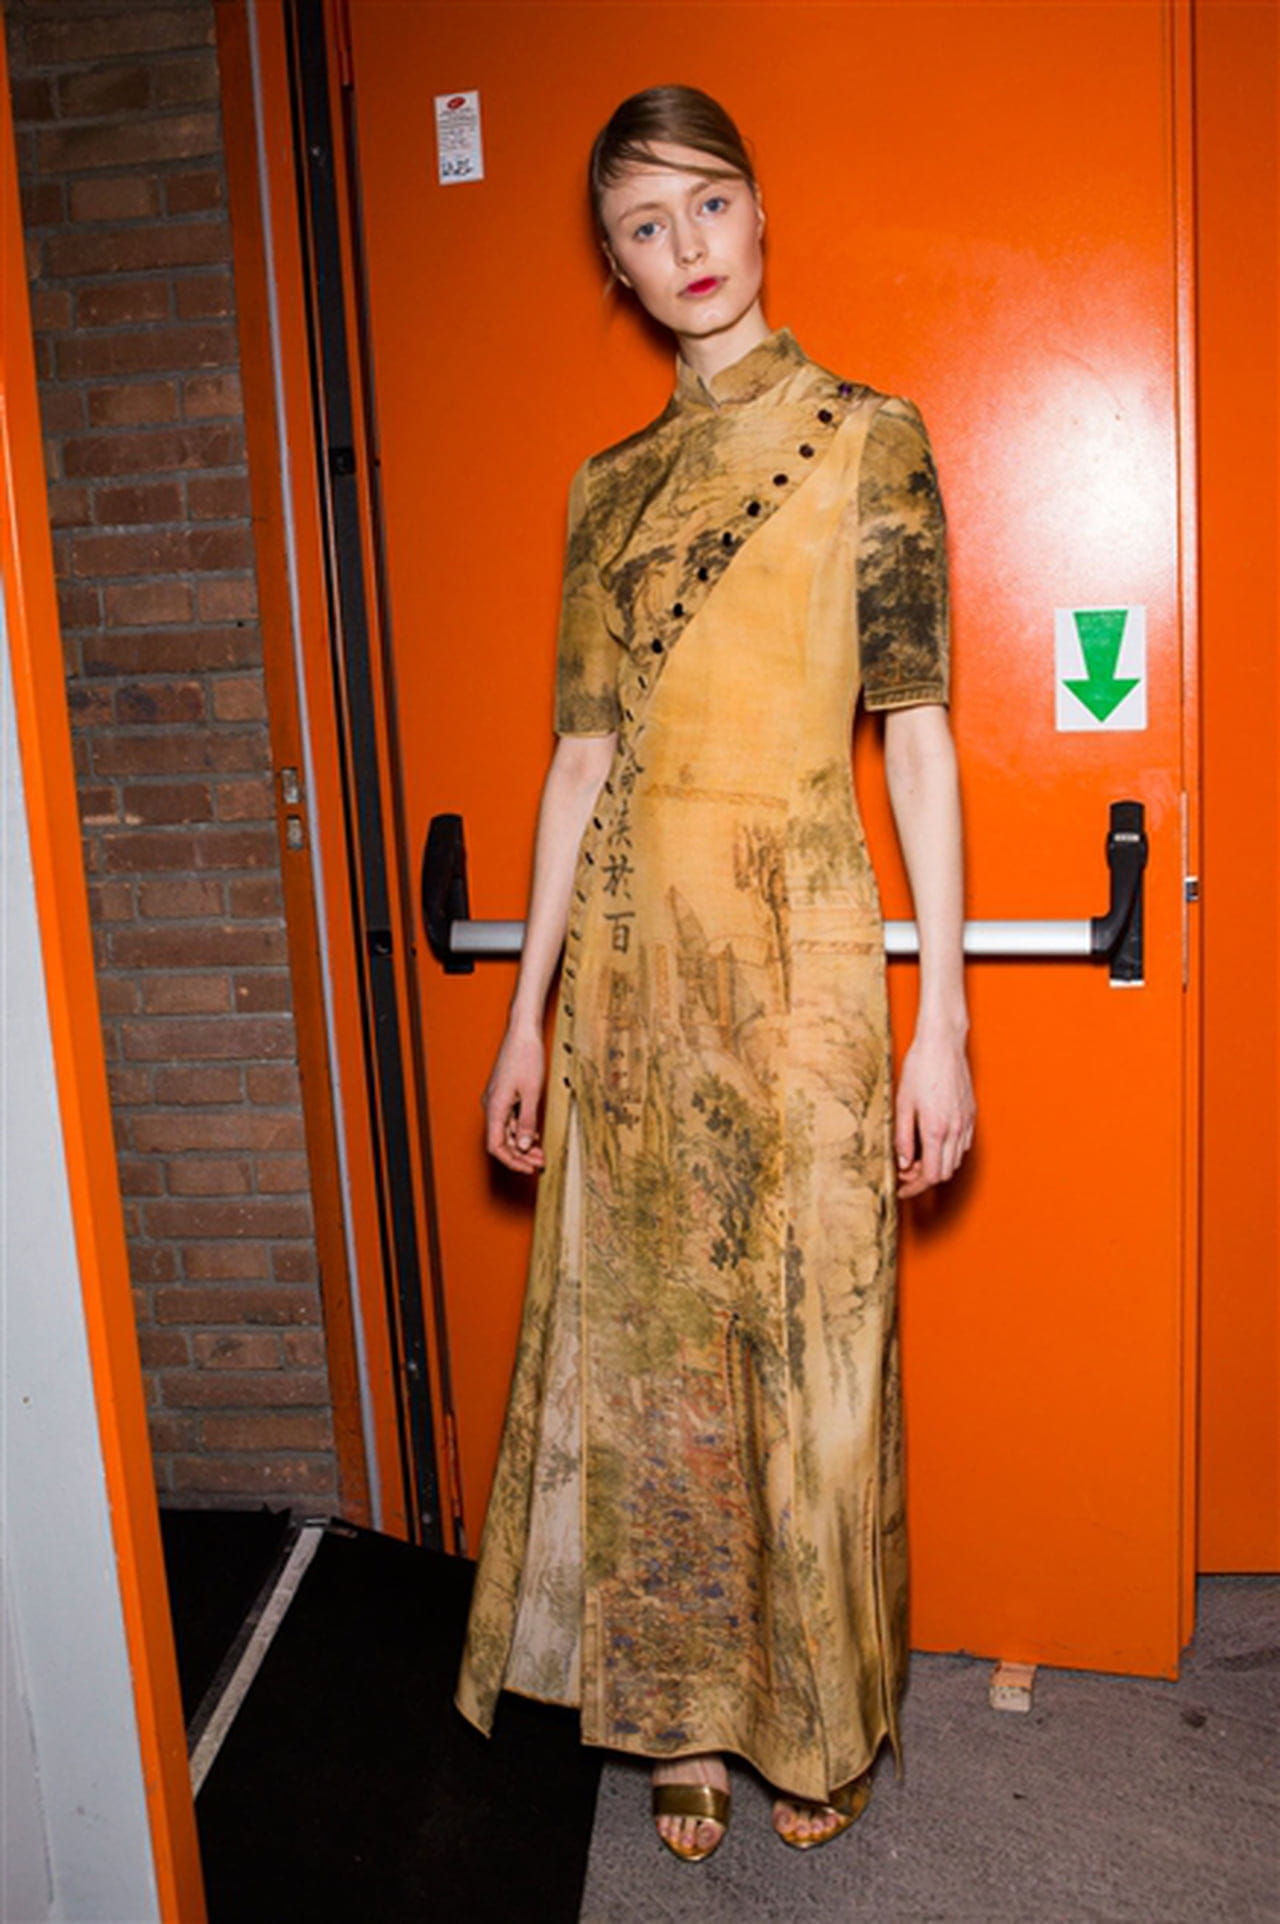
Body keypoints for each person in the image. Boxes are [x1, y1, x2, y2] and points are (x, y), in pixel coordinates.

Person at [455, 83, 975, 1862]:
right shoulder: (606, 491)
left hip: (808, 962)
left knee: (818, 1369)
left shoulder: (869, 438)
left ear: (759, 211)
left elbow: (918, 738)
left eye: (705, 205)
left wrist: (945, 1017)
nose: (682, 248)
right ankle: (680, 1717)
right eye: (641, 226)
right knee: (665, 1367)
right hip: (634, 981)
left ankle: (813, 1719)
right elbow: (577, 762)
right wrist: (525, 1015)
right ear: (613, 265)